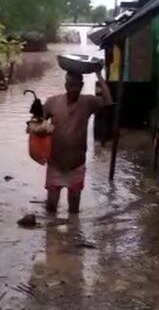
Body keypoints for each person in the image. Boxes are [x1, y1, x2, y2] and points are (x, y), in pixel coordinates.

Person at [43, 70, 112, 214]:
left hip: (76, 165)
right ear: (66, 85)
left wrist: (99, 74)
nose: (74, 89)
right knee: (51, 207)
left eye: (77, 85)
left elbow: (108, 101)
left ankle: (74, 234)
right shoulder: (52, 102)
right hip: (55, 163)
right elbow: (36, 121)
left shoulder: (88, 102)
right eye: (71, 85)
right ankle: (51, 233)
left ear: (81, 86)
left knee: (74, 210)